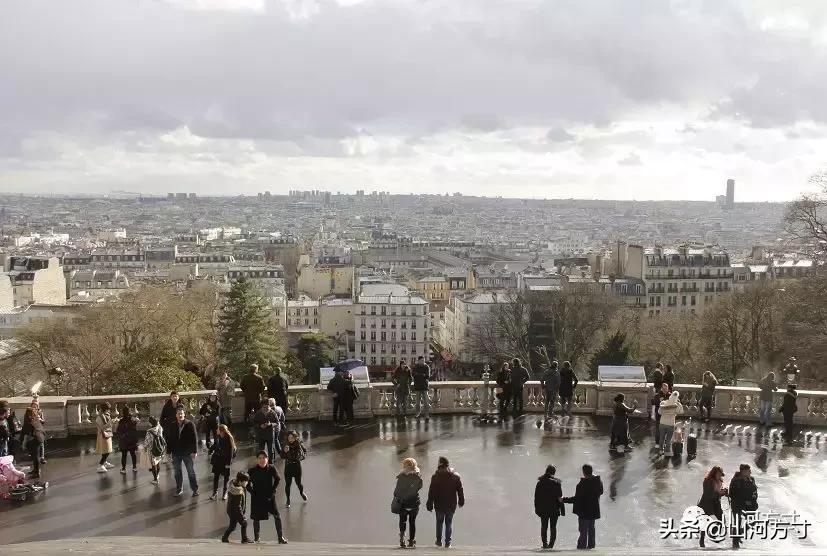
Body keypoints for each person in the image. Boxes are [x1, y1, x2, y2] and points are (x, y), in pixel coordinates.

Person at [247, 450, 288, 544]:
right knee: (256, 518)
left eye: (264, 458)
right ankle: (256, 538)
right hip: (257, 497)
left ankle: (280, 537)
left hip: (269, 496)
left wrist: (273, 490)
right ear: (257, 460)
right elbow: (246, 483)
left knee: (277, 516)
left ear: (267, 459)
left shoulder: (271, 468)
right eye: (260, 458)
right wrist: (252, 492)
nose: (262, 460)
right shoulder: (252, 470)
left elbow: (278, 479)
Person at [426, 456, 465, 548]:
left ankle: (439, 541)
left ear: (440, 464)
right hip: (451, 504)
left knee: (439, 523)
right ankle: (448, 542)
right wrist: (461, 501)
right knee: (449, 523)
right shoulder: (455, 477)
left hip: (439, 504)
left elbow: (431, 492)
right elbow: (460, 490)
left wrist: (429, 504)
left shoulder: (435, 477)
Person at [562, 464, 603, 550]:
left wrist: (563, 499)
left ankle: (581, 547)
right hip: (594, 510)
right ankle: (591, 546)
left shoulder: (582, 484)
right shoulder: (598, 482)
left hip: (584, 511)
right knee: (591, 530)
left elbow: (577, 499)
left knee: (583, 531)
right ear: (591, 471)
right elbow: (601, 492)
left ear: (584, 472)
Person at [393, 457, 423, 549]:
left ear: (404, 465)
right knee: (412, 522)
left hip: (403, 503)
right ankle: (411, 541)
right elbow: (419, 487)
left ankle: (402, 540)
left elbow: (396, 492)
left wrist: (400, 496)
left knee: (403, 521)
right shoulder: (418, 476)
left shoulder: (401, 477)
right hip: (414, 503)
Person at [169, 406, 199, 496]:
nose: (180, 415)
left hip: (187, 452)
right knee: (177, 472)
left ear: (184, 414)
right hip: (176, 453)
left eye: (181, 413)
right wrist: (168, 452)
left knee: (191, 472)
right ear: (176, 415)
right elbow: (170, 439)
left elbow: (195, 438)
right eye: (178, 414)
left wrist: (195, 451)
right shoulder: (172, 425)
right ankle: (179, 489)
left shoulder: (190, 424)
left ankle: (195, 490)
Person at [534, 464, 564, 550]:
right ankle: (551, 545)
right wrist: (562, 509)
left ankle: (545, 544)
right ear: (553, 472)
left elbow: (536, 497)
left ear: (546, 471)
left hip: (543, 509)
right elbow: (560, 498)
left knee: (544, 526)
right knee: (553, 527)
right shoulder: (557, 483)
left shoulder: (540, 483)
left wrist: (536, 508)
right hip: (554, 508)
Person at [729, 464, 758, 550]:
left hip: (749, 505)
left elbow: (755, 491)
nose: (750, 472)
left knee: (752, 521)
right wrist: (744, 500)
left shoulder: (752, 479)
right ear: (743, 471)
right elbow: (732, 494)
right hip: (737, 504)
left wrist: (753, 500)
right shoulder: (735, 480)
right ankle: (735, 543)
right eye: (748, 471)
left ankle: (739, 533)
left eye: (750, 470)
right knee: (737, 523)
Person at [698, 466, 727, 548]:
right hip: (707, 503)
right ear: (714, 473)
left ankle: (713, 532)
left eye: (721, 473)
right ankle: (702, 540)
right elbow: (709, 493)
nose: (720, 474)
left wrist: (723, 492)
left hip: (716, 503)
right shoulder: (708, 481)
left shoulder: (719, 481)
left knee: (722, 520)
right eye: (719, 473)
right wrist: (720, 493)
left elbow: (717, 492)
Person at [222, 471, 253, 544]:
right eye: (246, 481)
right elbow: (237, 506)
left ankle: (224, 537)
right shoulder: (238, 492)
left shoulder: (233, 485)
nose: (247, 483)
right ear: (241, 481)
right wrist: (242, 516)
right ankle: (244, 539)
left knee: (232, 526)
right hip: (235, 511)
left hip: (230, 510)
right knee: (244, 523)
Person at [208, 424, 236, 500]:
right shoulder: (218, 436)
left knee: (226, 478)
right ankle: (215, 493)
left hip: (225, 461)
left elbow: (231, 452)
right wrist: (210, 449)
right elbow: (215, 445)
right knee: (216, 477)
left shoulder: (228, 438)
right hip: (217, 460)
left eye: (218, 429)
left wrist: (228, 463)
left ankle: (225, 493)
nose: (216, 430)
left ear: (221, 431)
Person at [282, 430, 308, 508]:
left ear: (295, 437)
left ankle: (301, 493)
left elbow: (305, 452)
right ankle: (288, 500)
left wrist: (301, 457)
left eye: (292, 437)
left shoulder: (299, 444)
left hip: (297, 466)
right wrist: (284, 451)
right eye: (289, 437)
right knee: (288, 484)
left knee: (299, 483)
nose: (290, 439)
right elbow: (282, 456)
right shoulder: (285, 445)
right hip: (288, 466)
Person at [20, 403, 46, 478]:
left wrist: (23, 444)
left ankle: (37, 472)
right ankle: (35, 470)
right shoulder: (35, 419)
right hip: (39, 438)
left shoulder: (29, 421)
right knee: (35, 456)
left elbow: (26, 433)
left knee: (35, 456)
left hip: (35, 439)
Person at [141, 416, 165, 485]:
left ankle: (155, 479)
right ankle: (157, 475)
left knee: (153, 464)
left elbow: (147, 442)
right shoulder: (160, 428)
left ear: (150, 423)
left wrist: (144, 448)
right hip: (160, 448)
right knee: (158, 463)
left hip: (152, 450)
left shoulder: (150, 431)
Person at [658, 390, 683, 456]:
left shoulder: (663, 402)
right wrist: (679, 404)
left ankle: (660, 450)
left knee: (661, 437)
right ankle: (667, 452)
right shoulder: (676, 404)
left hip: (662, 423)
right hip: (670, 424)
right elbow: (680, 412)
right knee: (668, 439)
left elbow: (659, 412)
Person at [115, 405, 139, 474]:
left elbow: (118, 431)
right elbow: (135, 430)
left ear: (123, 412)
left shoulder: (121, 421)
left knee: (124, 455)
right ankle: (134, 467)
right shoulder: (133, 420)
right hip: (132, 440)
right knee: (133, 454)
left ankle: (123, 469)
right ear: (129, 412)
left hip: (124, 440)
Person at [160, 391, 180, 462]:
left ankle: (175, 455)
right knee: (169, 441)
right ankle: (168, 455)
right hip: (168, 426)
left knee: (177, 441)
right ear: (170, 397)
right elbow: (162, 417)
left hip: (178, 426)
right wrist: (162, 426)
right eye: (173, 396)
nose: (175, 397)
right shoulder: (166, 406)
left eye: (176, 396)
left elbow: (183, 416)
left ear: (178, 397)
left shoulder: (180, 406)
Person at [95, 402, 114, 473]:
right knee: (107, 451)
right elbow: (101, 428)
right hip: (103, 435)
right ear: (105, 409)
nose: (109, 410)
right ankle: (100, 465)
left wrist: (112, 422)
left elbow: (108, 424)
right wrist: (110, 423)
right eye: (108, 409)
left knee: (106, 450)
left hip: (107, 433)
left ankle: (104, 462)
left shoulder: (106, 414)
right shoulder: (99, 417)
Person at [411, 356, 431, 421]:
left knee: (426, 402)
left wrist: (418, 375)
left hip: (425, 387)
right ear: (419, 361)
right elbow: (413, 374)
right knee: (417, 402)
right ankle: (417, 413)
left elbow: (428, 376)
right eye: (422, 360)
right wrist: (422, 375)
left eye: (424, 360)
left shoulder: (426, 367)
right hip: (417, 386)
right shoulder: (415, 367)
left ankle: (427, 415)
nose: (423, 361)